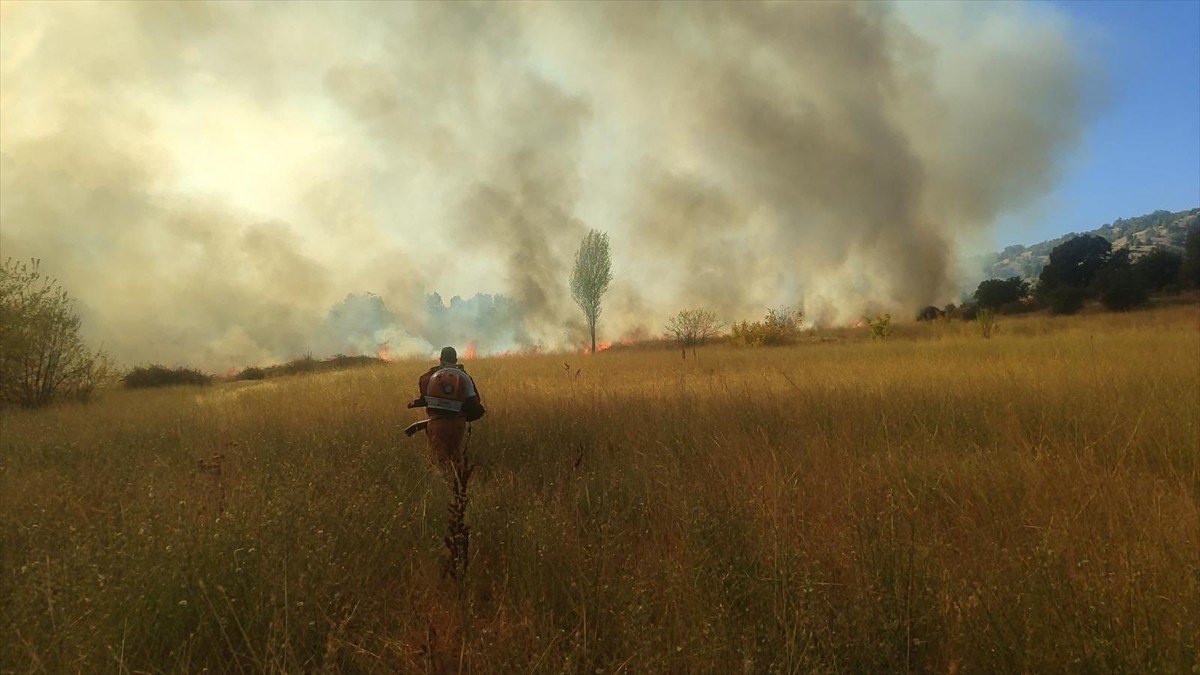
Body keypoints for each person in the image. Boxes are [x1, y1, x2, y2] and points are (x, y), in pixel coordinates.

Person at [409, 346, 485, 479]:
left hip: (436, 423)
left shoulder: (428, 377)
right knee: (455, 455)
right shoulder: (464, 377)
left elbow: (425, 397)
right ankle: (457, 482)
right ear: (456, 360)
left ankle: (443, 483)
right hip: (458, 423)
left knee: (439, 458)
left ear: (440, 359)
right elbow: (475, 401)